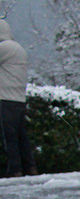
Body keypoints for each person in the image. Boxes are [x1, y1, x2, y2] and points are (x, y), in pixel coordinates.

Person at [0, 20, 36, 177]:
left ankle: (15, 170)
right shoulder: (18, 48)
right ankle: (30, 167)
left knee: (9, 138)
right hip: (19, 99)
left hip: (5, 98)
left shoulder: (4, 48)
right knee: (21, 137)